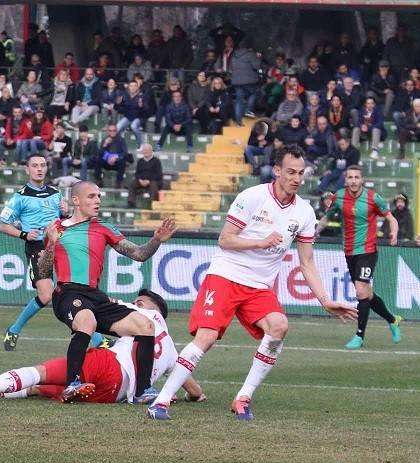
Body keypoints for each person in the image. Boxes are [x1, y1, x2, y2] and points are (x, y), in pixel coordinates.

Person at [145, 145, 356, 422]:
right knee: (206, 338)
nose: (297, 178)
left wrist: (325, 300)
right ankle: (160, 402)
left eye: (301, 173)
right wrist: (261, 241)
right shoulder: (252, 197)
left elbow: (307, 263)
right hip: (226, 275)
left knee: (279, 326)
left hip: (258, 287)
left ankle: (243, 397)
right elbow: (225, 239)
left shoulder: (304, 212)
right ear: (277, 170)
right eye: (291, 172)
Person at [36, 180, 177, 402]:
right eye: (91, 196)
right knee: (87, 322)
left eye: (99, 196)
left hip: (95, 296)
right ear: (76, 200)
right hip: (67, 293)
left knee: (146, 326)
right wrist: (51, 243)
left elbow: (139, 254)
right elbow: (43, 271)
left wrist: (157, 240)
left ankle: (142, 391)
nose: (97, 200)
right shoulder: (56, 229)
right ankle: (72, 384)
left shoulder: (105, 228)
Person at [0, 290, 205, 404]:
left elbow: (106, 304)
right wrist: (192, 397)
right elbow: (194, 391)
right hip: (113, 396)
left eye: (142, 300)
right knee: (37, 388)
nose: (137, 301)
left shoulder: (139, 314)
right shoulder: (172, 351)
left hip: (109, 367)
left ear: (152, 308)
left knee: (41, 372)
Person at [0, 154, 107, 351]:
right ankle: (14, 329)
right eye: (34, 166)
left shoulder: (55, 193)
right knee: (47, 294)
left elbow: (66, 220)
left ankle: (97, 338)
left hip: (61, 245)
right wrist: (24, 234)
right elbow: (3, 226)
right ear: (27, 170)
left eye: (42, 165)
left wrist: (66, 212)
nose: (39, 169)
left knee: (75, 288)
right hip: (38, 248)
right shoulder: (19, 197)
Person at [316, 165, 402, 349]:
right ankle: (392, 319)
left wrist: (394, 233)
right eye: (350, 177)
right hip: (349, 252)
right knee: (367, 294)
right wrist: (316, 231)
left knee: (361, 291)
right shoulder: (338, 196)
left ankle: (359, 336)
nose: (353, 180)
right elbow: (326, 217)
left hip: (368, 250)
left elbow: (391, 218)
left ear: (362, 180)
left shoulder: (373, 198)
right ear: (346, 180)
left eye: (357, 177)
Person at [127, 143, 162, 209]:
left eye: (147, 150)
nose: (146, 152)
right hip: (141, 181)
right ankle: (131, 203)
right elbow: (137, 173)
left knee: (154, 185)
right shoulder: (140, 161)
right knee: (132, 184)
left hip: (151, 181)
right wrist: (140, 180)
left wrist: (148, 181)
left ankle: (152, 204)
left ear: (151, 151)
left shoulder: (156, 161)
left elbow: (158, 175)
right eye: (144, 150)